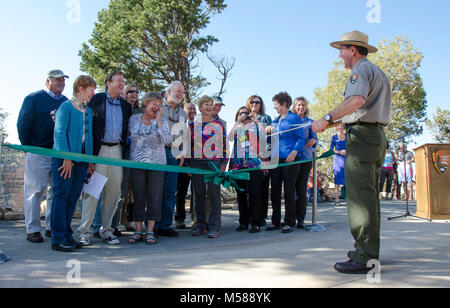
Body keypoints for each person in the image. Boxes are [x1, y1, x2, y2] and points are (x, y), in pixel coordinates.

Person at [312, 30, 391, 274]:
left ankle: (365, 256)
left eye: (342, 50)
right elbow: (360, 107)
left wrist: (327, 117)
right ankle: (367, 249)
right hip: (374, 137)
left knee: (359, 199)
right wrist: (330, 123)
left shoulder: (360, 71)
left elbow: (356, 101)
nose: (339, 55)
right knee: (368, 197)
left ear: (353, 50)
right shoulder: (377, 72)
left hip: (363, 138)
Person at [76, 71, 132, 246]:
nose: (122, 83)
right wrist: (89, 157)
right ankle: (85, 232)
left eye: (123, 81)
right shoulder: (96, 100)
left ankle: (107, 230)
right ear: (108, 82)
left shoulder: (126, 106)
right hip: (99, 151)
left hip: (117, 151)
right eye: (119, 81)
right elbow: (86, 128)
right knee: (92, 192)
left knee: (114, 193)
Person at [17, 69, 69, 243]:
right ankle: (32, 229)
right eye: (57, 80)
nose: (61, 83)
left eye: (63, 80)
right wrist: (29, 148)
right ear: (48, 81)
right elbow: (23, 124)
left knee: (55, 192)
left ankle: (50, 227)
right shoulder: (33, 98)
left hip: (57, 153)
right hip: (37, 151)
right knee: (34, 191)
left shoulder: (65, 102)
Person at [50, 75, 96, 252]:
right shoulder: (66, 107)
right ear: (80, 89)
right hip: (65, 160)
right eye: (91, 90)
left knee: (72, 198)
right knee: (61, 197)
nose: (93, 93)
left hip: (82, 161)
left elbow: (89, 137)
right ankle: (57, 238)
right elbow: (60, 133)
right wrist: (66, 158)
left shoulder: (88, 111)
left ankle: (67, 235)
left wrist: (90, 160)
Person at [127, 92, 171, 245]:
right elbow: (134, 136)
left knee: (154, 197)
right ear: (145, 104)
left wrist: (158, 123)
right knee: (138, 196)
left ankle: (150, 231)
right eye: (154, 104)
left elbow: (167, 140)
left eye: (159, 105)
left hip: (157, 164)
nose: (157, 107)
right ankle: (138, 230)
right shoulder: (133, 119)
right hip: (137, 163)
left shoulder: (162, 121)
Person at [265, 92, 306, 233]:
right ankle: (275, 222)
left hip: (290, 160)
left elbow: (301, 138)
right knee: (275, 191)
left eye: (276, 104)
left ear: (284, 104)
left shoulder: (294, 118)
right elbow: (271, 141)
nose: (275, 107)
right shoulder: (275, 121)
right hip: (276, 160)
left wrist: (294, 151)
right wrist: (267, 132)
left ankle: (289, 222)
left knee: (289, 191)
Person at [189, 95, 227, 239]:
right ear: (200, 107)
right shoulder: (193, 125)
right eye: (206, 104)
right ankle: (200, 225)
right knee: (198, 194)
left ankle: (214, 226)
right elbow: (188, 145)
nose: (209, 106)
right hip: (196, 163)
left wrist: (223, 162)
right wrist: (187, 165)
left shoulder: (218, 125)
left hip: (214, 163)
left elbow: (223, 145)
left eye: (211, 104)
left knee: (214, 194)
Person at [157, 81, 187, 237]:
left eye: (182, 92)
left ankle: (165, 225)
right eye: (177, 91)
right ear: (168, 92)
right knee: (156, 191)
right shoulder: (157, 107)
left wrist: (182, 152)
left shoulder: (183, 113)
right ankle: (153, 226)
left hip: (174, 154)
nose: (180, 94)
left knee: (170, 191)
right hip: (158, 152)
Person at [230, 106, 266, 233]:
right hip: (239, 166)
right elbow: (229, 137)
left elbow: (264, 137)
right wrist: (239, 122)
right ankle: (243, 222)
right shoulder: (237, 127)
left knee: (254, 194)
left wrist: (256, 122)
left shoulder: (254, 127)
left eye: (246, 113)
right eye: (241, 113)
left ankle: (256, 222)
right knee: (241, 195)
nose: (244, 115)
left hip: (253, 165)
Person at [292, 97, 318, 228]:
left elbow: (315, 139)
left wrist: (313, 141)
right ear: (294, 106)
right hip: (291, 159)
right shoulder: (290, 121)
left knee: (302, 188)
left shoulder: (310, 122)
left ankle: (300, 219)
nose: (301, 107)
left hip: (305, 158)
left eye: (303, 105)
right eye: (298, 105)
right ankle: (290, 218)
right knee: (291, 189)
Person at [246, 95, 272, 224]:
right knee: (251, 189)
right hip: (249, 158)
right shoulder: (245, 117)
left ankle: (262, 217)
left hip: (263, 157)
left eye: (258, 102)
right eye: (252, 102)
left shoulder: (266, 118)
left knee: (263, 188)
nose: (255, 104)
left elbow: (268, 136)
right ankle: (251, 216)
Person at [175, 102, 197, 229]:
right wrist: (186, 165)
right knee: (181, 192)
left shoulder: (199, 126)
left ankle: (194, 218)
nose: (192, 111)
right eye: (189, 109)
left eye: (194, 108)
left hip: (197, 164)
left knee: (196, 192)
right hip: (183, 164)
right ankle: (180, 219)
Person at [330, 124, 347, 206]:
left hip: (347, 160)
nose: (340, 128)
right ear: (336, 127)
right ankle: (337, 199)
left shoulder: (347, 136)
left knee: (349, 179)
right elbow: (331, 150)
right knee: (337, 181)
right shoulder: (334, 137)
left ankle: (351, 199)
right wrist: (340, 152)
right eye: (339, 126)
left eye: (342, 126)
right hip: (338, 160)